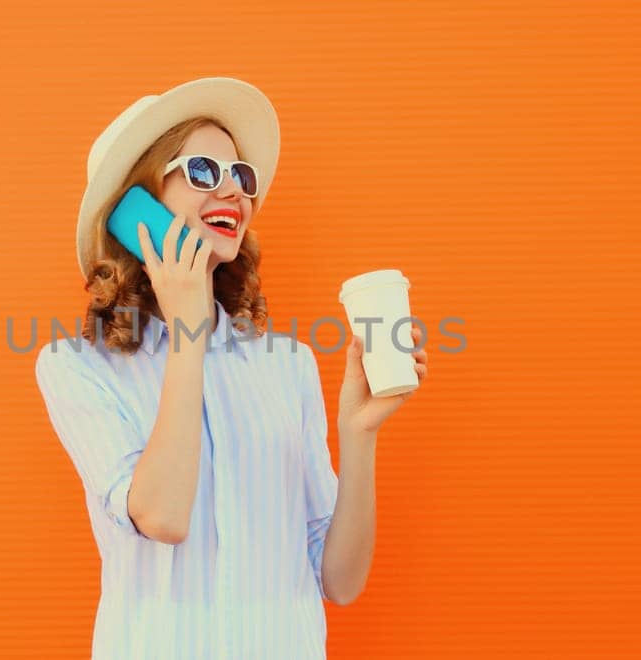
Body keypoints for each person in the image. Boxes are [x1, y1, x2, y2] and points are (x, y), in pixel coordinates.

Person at [33, 77, 430, 660]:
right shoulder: (76, 367)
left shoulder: (287, 365)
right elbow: (162, 517)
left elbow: (340, 582)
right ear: (134, 206)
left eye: (241, 177)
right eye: (202, 171)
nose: (235, 193)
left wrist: (359, 432)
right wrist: (187, 333)